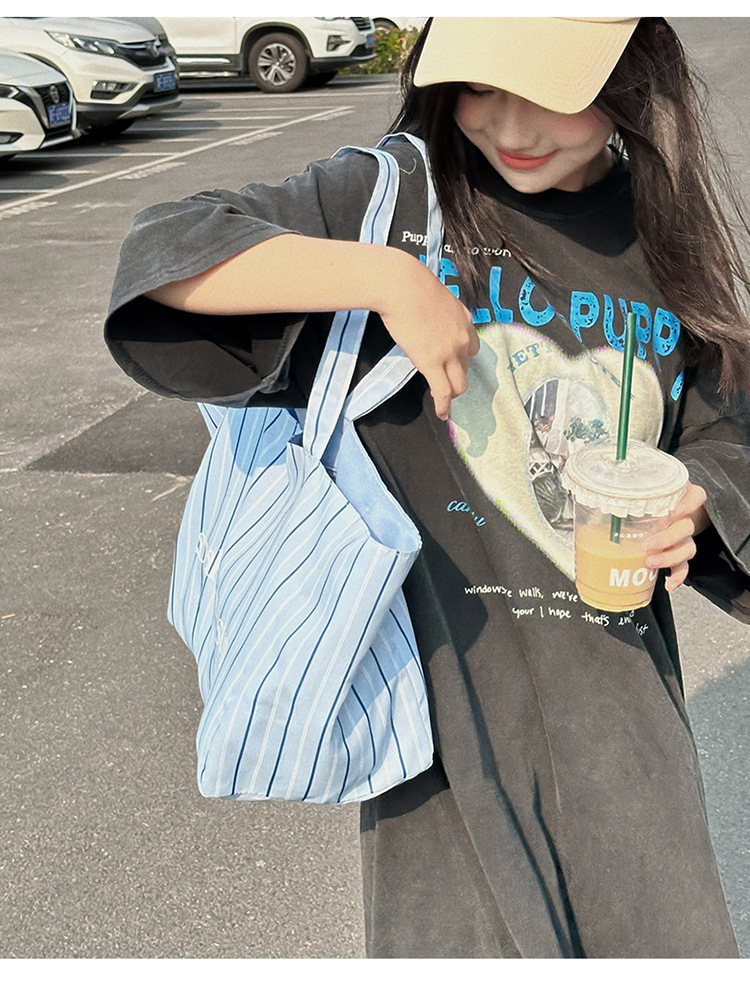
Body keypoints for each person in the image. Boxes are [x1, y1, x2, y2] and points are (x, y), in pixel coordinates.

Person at [104, 18, 750, 958]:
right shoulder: (393, 200)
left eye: (549, 90)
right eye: (478, 86)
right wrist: (385, 279)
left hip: (620, 709)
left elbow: (725, 434)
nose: (510, 125)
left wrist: (692, 498)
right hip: (440, 718)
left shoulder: (663, 235)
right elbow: (165, 255)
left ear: (630, 78)